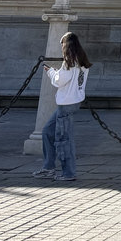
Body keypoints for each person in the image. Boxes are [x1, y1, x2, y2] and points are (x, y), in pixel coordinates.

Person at [33, 32, 92, 182]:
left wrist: (50, 72)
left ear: (66, 45)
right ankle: (49, 167)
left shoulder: (69, 62)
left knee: (64, 140)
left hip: (66, 104)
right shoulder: (82, 61)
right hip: (73, 102)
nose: (61, 48)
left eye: (62, 45)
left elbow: (59, 81)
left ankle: (68, 173)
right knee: (47, 131)